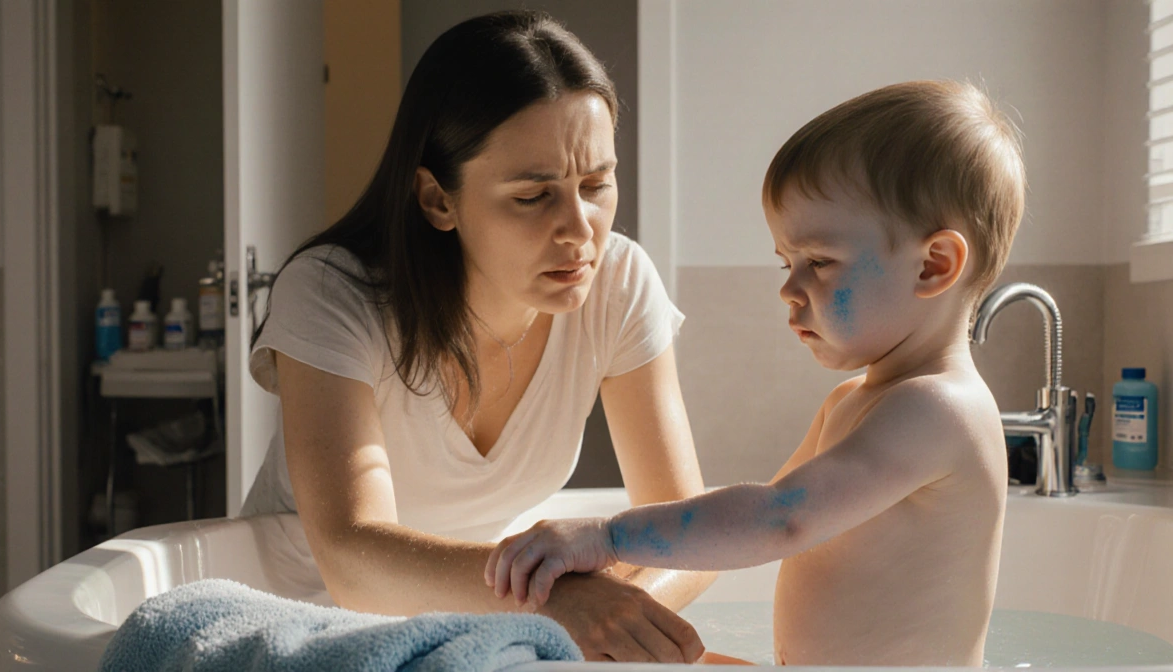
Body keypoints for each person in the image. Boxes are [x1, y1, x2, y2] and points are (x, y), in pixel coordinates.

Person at [486, 80, 1025, 667]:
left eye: (818, 262)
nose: (789, 289)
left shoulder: (940, 410)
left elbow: (778, 520)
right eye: (786, 262)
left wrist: (607, 537)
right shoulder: (854, 401)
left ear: (934, 265)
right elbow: (748, 517)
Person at [238, 10, 718, 664]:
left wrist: (617, 621)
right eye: (534, 196)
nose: (580, 229)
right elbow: (353, 554)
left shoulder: (618, 282)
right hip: (302, 633)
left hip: (484, 633)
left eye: (597, 184)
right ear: (437, 199)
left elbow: (689, 529)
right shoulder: (331, 293)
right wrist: (558, 602)